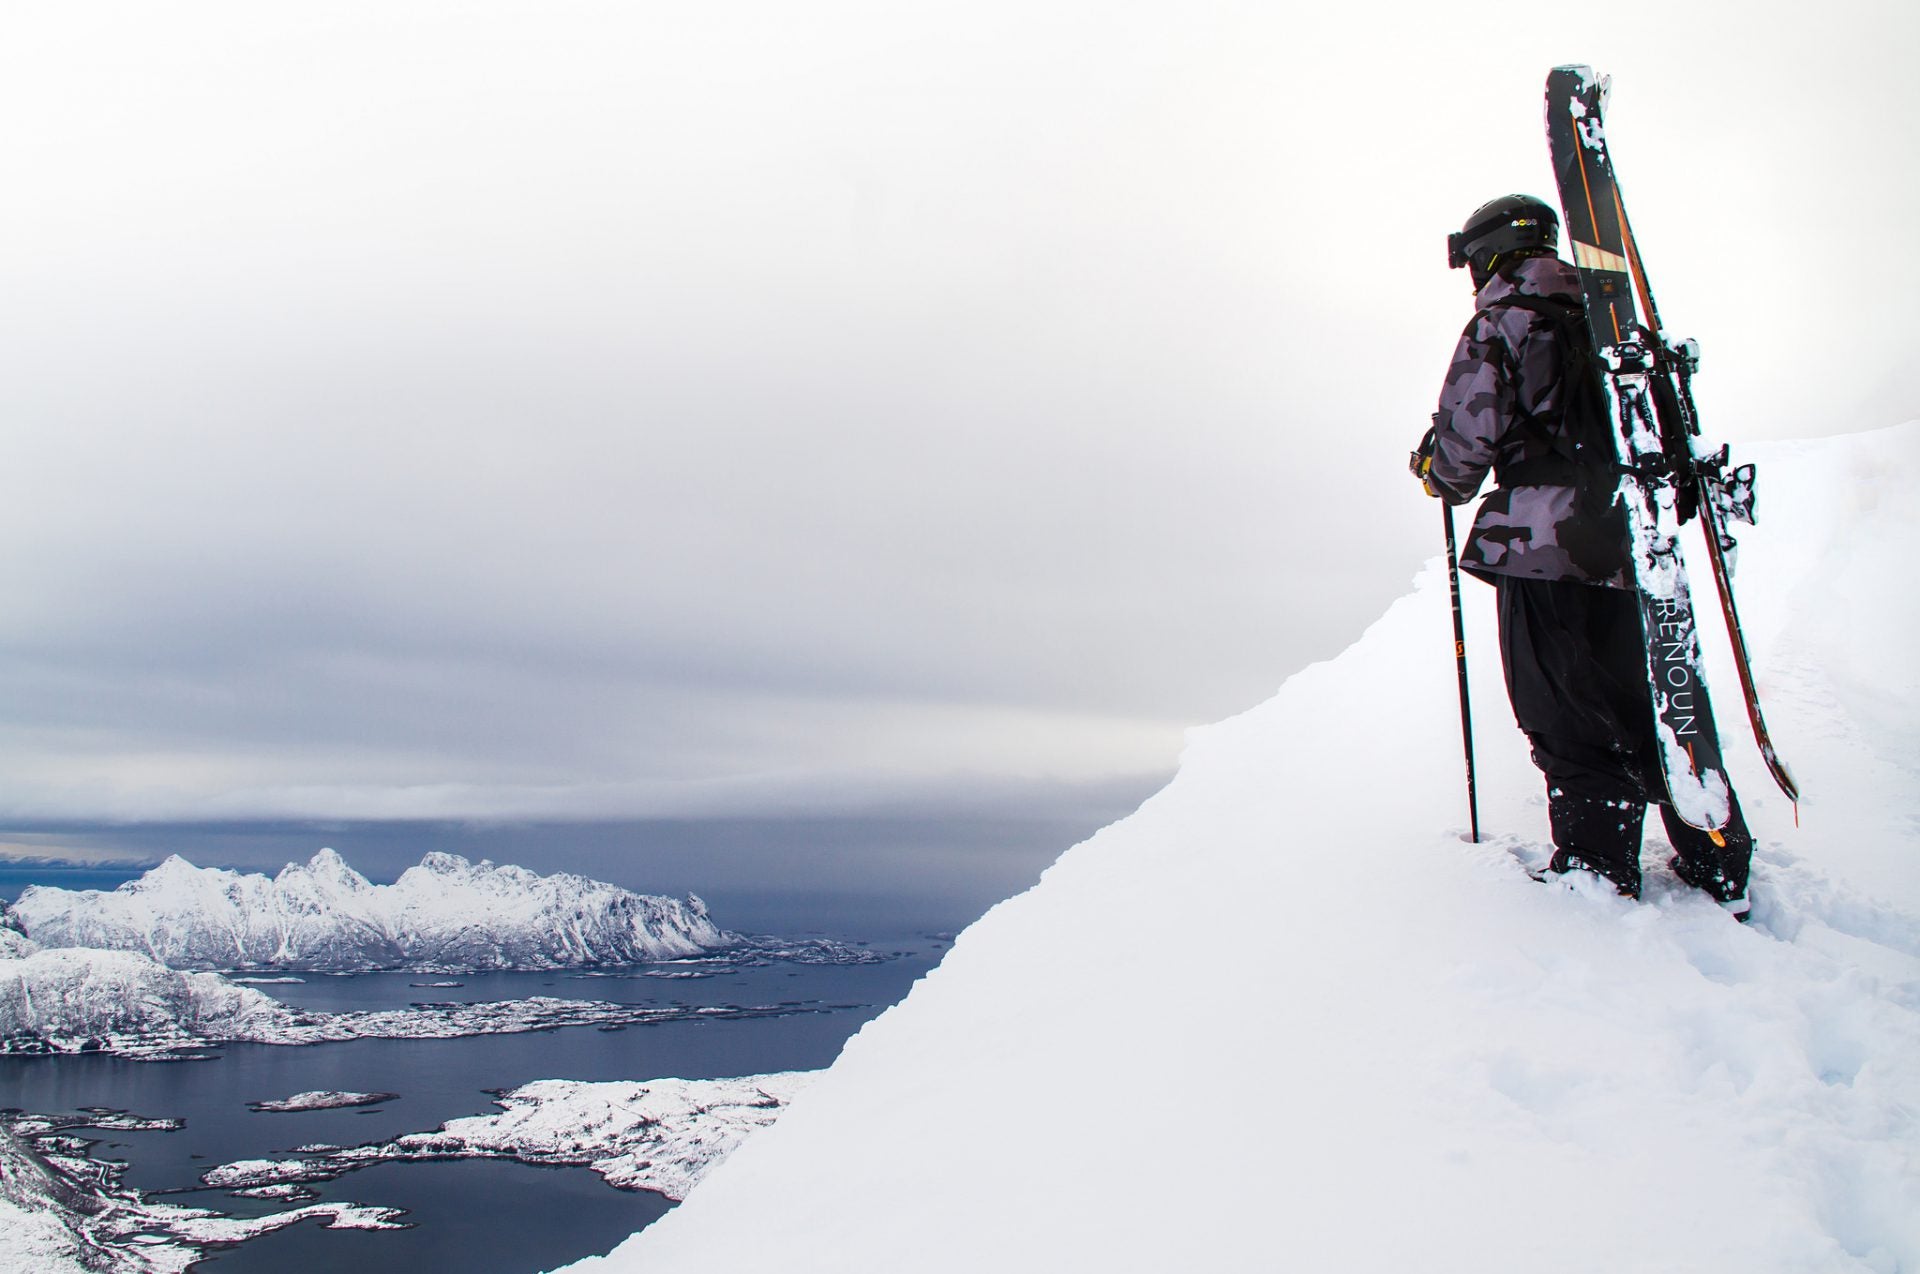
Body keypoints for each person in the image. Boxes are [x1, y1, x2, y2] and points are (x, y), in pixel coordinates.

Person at [1411, 193, 1753, 919]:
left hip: (1545, 547)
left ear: (1488, 252)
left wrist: (1433, 466)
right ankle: (1713, 852)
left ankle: (1598, 869)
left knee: (1563, 701)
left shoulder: (1503, 322)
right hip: (1637, 542)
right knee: (1650, 695)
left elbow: (1463, 458)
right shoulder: (1615, 324)